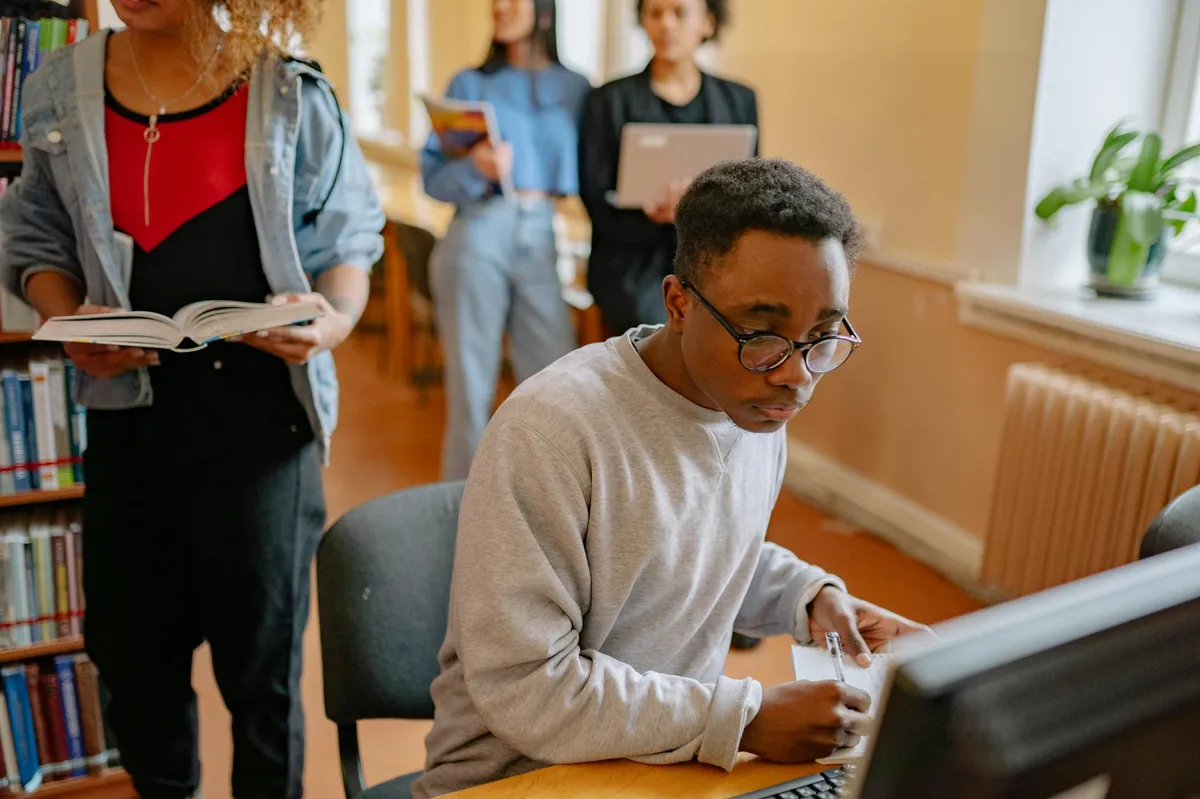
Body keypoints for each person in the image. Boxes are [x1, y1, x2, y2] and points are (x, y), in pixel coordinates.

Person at [411, 158, 926, 799]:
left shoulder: (753, 400)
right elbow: (529, 690)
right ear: (679, 303)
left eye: (822, 337)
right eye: (763, 332)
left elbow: (684, 554)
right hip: (524, 779)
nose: (797, 374)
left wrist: (805, 597)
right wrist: (747, 719)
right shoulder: (551, 430)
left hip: (664, 768)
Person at [0, 0, 384, 795]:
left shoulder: (288, 87)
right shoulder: (58, 86)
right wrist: (62, 313)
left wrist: (333, 321)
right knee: (135, 667)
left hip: (263, 428)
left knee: (262, 675)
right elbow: (34, 236)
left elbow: (348, 236)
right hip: (128, 425)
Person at [422, 0, 591, 481]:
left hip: (543, 232)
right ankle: (463, 516)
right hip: (477, 230)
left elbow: (594, 167)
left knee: (557, 382)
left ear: (543, 11)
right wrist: (476, 168)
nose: (500, 6)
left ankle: (547, 503)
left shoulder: (577, 89)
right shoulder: (468, 84)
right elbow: (431, 178)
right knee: (470, 391)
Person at [578, 0, 757, 336]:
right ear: (642, 21)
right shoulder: (607, 100)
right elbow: (593, 191)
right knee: (654, 325)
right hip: (631, 263)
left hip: (712, 259)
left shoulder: (739, 100)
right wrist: (654, 215)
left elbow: (750, 194)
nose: (667, 25)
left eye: (679, 13)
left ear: (707, 22)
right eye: (655, 13)